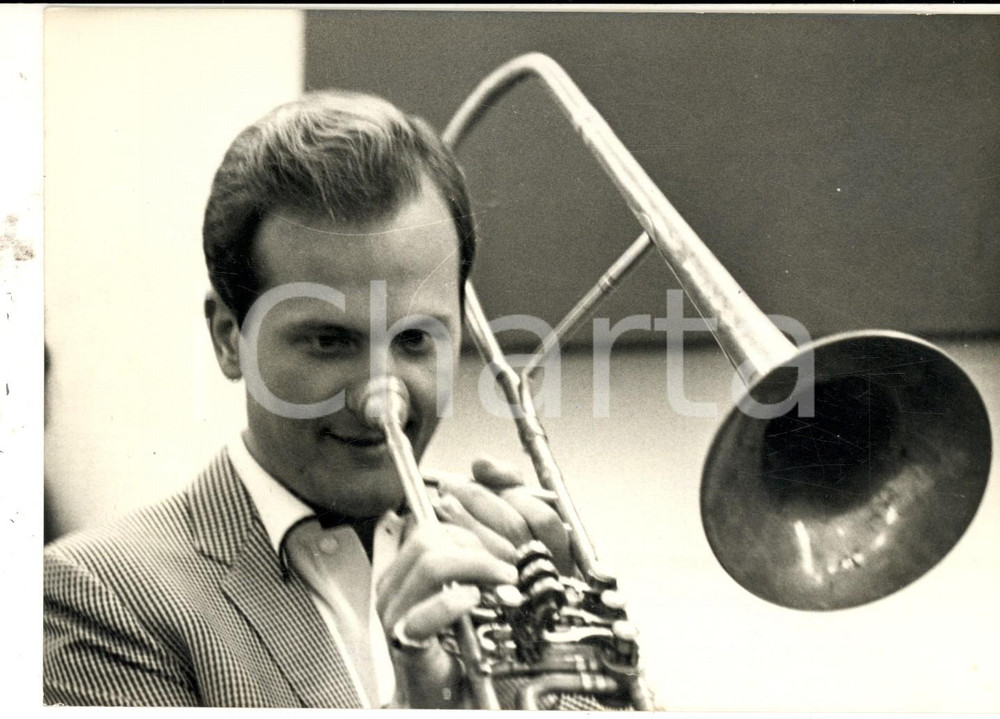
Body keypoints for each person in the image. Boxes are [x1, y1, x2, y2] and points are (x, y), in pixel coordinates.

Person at [43, 90, 571, 708]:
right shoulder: (98, 595)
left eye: (414, 339)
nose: (385, 399)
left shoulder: (517, 569)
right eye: (329, 340)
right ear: (228, 339)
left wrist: (555, 657)